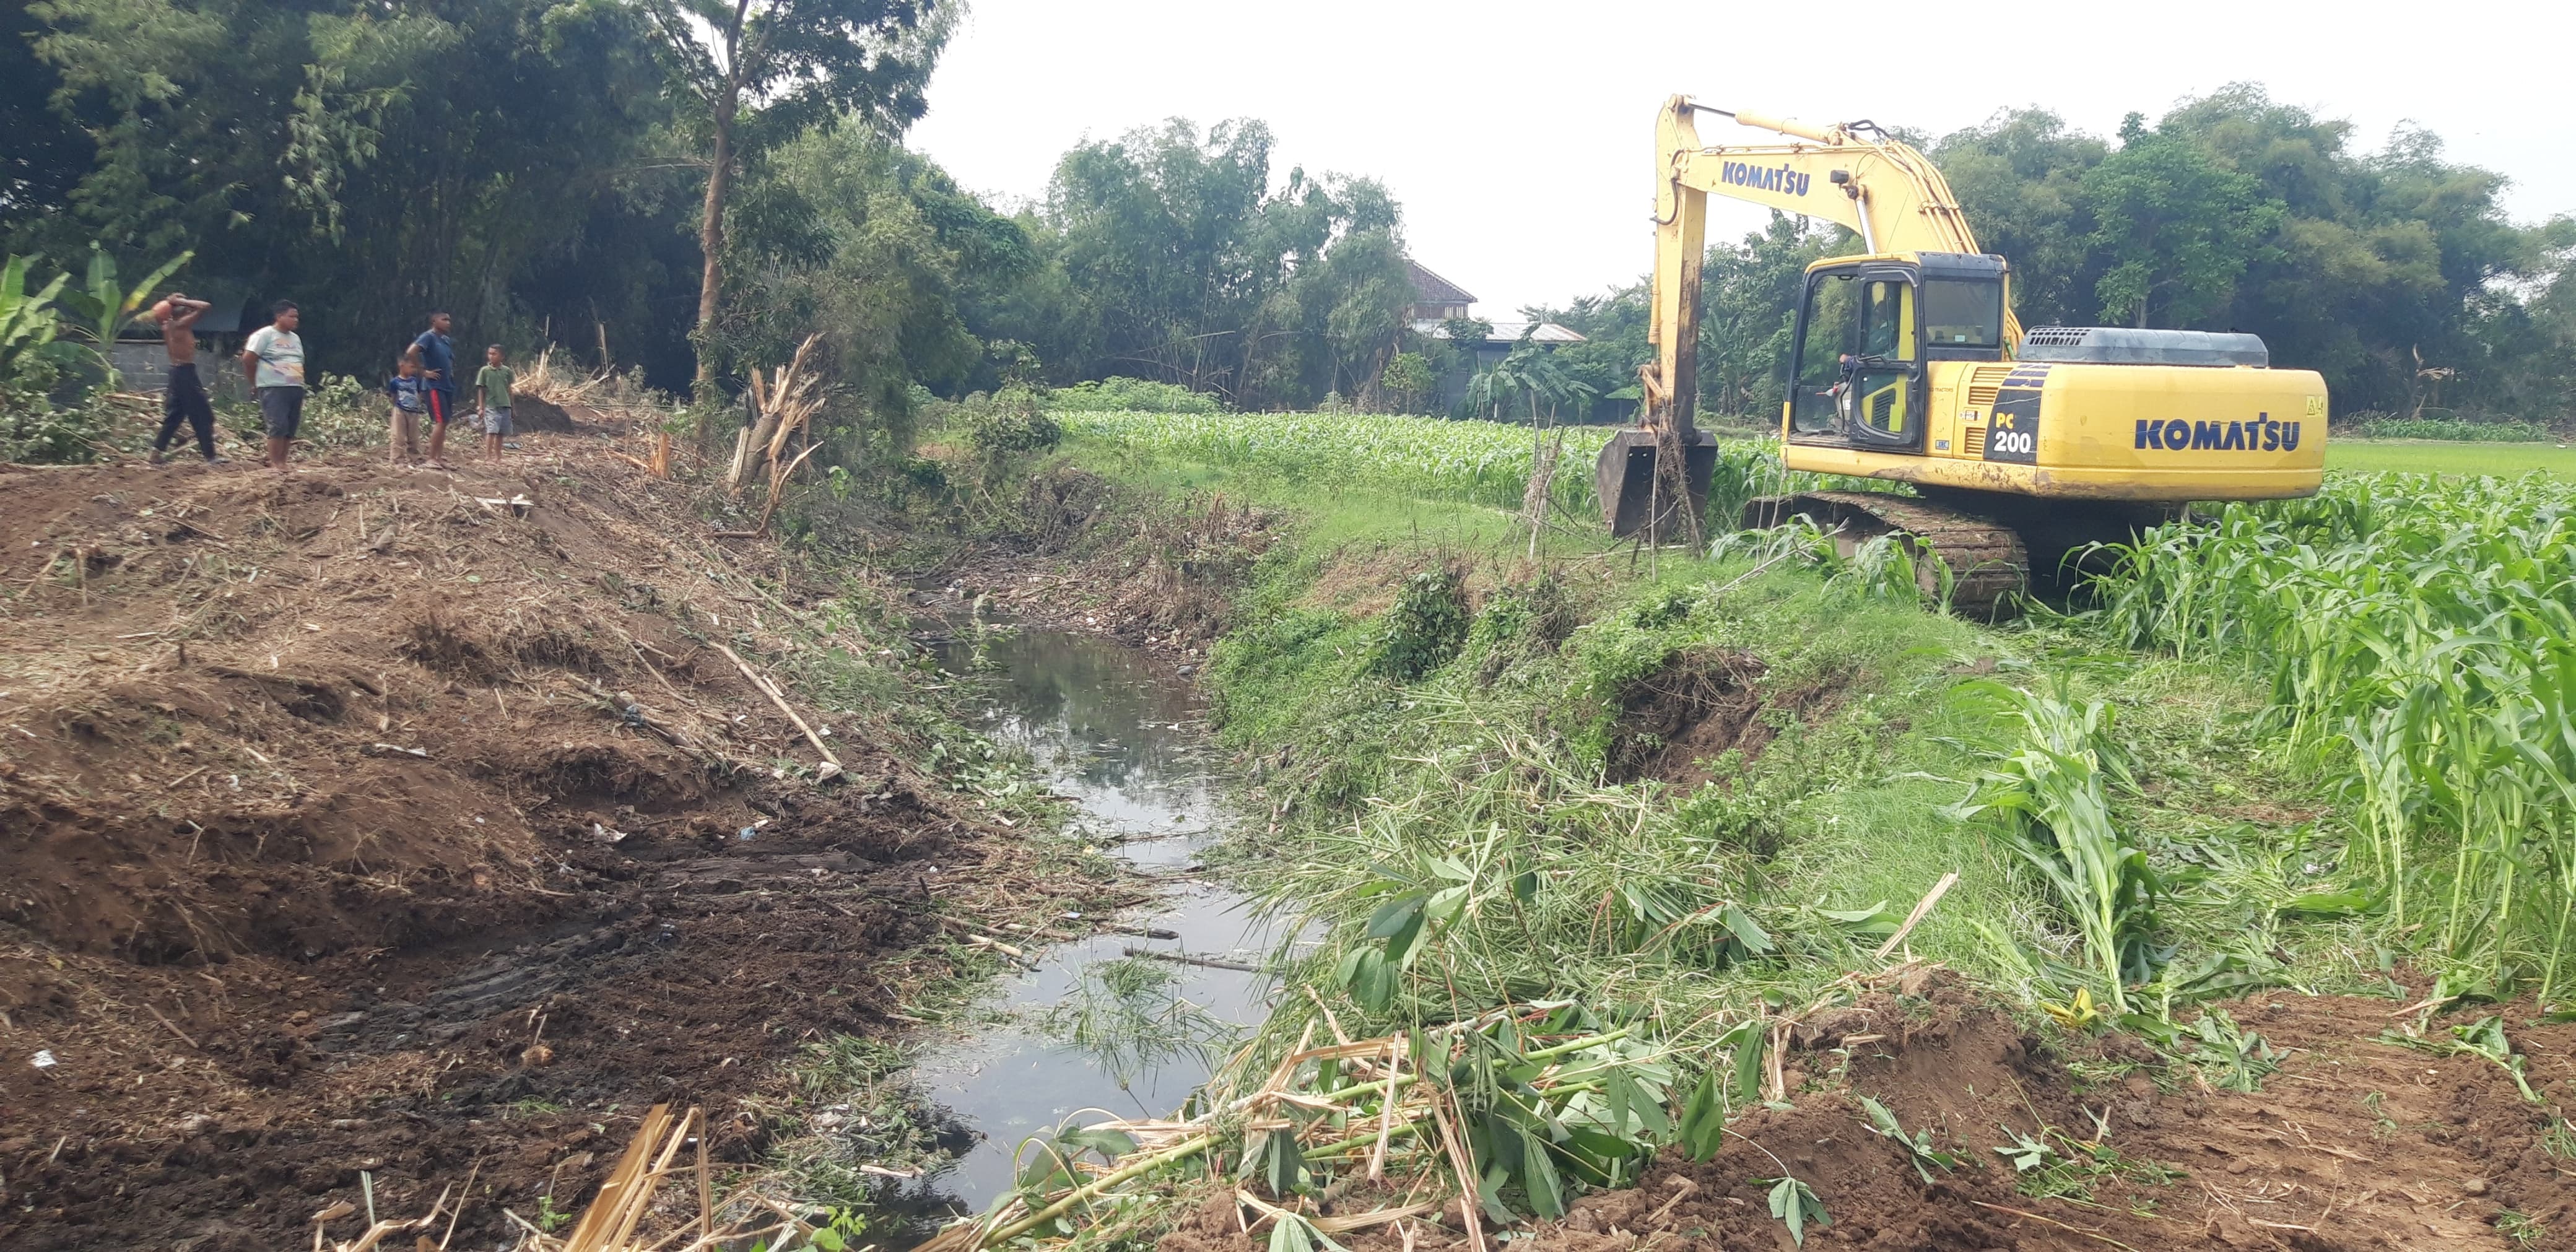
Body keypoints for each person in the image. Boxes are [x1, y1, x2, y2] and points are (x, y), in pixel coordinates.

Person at [147, 292, 224, 465]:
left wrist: (171, 301)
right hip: (185, 373)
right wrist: (179, 301)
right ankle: (211, 456)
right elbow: (205, 306)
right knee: (202, 413)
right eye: (188, 310)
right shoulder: (180, 325)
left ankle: (156, 452)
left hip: (178, 372)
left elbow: (160, 312)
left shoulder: (167, 325)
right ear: (183, 312)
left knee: (175, 414)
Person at [240, 300, 305, 472]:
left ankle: (284, 462)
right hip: (273, 387)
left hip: (295, 387)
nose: (296, 320)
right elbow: (248, 359)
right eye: (292, 316)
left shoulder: (295, 338)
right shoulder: (264, 335)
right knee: (278, 425)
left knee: (290, 426)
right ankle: (276, 463)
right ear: (279, 316)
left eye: (297, 317)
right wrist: (254, 382)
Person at [413, 311, 458, 469]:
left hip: (447, 385)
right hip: (434, 387)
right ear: (434, 321)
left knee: (445, 422)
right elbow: (411, 352)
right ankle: (431, 458)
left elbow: (449, 360)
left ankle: (439, 458)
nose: (448, 323)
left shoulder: (445, 341)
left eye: (449, 320)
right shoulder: (428, 337)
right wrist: (423, 372)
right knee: (439, 421)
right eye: (444, 319)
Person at [385, 349, 430, 464]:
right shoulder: (395, 382)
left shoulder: (416, 381)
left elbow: (420, 394)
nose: (413, 369)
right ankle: (397, 460)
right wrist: (397, 407)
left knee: (414, 437)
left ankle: (415, 458)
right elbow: (393, 397)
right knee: (398, 436)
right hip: (400, 410)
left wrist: (417, 405)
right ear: (402, 365)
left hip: (414, 411)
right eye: (411, 366)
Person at [475, 344, 515, 461]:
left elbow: (510, 390)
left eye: (494, 354)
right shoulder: (485, 371)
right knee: (491, 431)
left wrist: (513, 407)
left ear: (502, 356)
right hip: (492, 405)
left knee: (501, 433)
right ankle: (488, 456)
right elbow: (481, 390)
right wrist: (481, 407)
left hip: (505, 405)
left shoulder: (507, 371)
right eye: (490, 354)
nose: (491, 356)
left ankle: (498, 456)